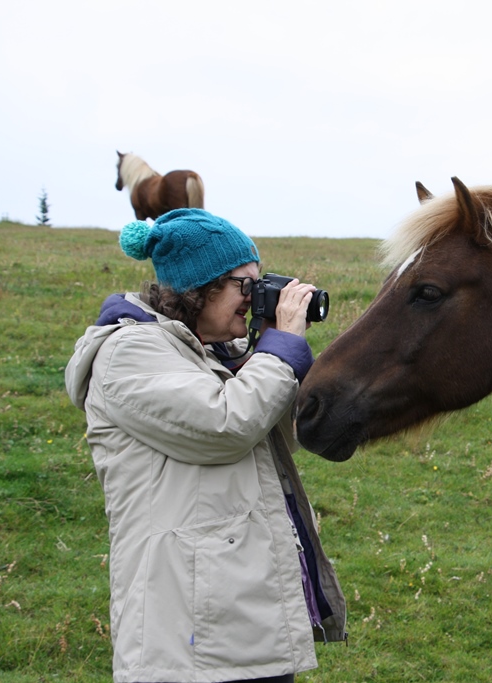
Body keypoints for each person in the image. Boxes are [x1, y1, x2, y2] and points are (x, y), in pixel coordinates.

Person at [65, 208, 346, 683]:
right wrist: (278, 351)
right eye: (245, 285)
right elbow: (225, 425)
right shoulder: (128, 353)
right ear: (200, 288)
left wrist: (275, 349)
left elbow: (285, 432)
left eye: (260, 283)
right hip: (186, 636)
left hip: (239, 616)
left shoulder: (219, 356)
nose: (253, 297)